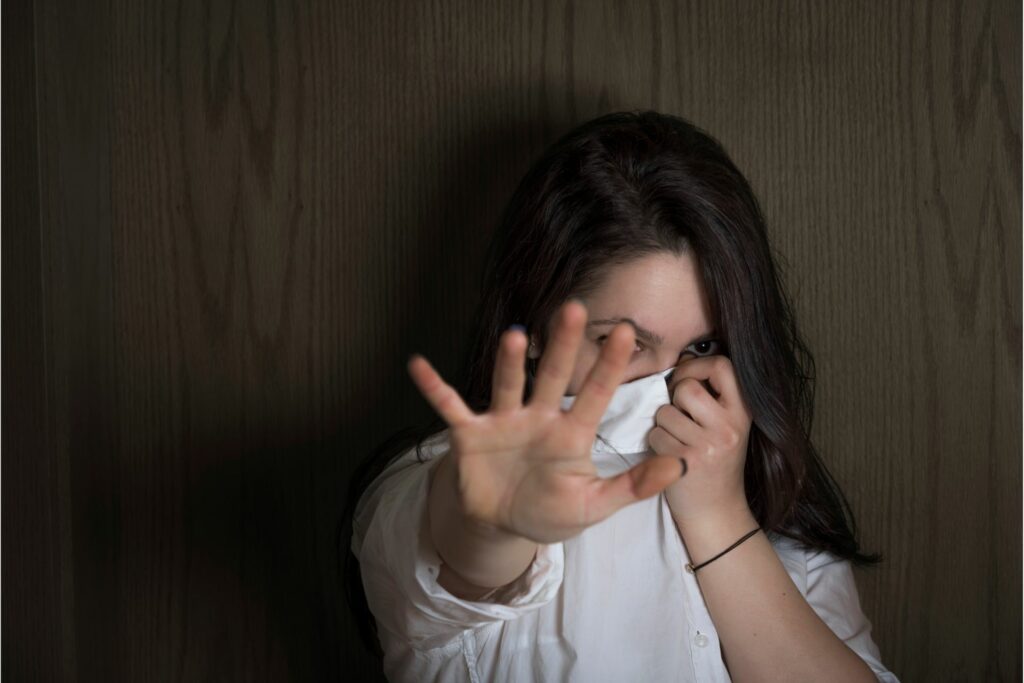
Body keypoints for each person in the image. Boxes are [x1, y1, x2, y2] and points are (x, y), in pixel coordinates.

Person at [339, 110, 899, 682]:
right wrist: (501, 520)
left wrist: (718, 515)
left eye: (702, 343)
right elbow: (466, 555)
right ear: (533, 326)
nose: (669, 387)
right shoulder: (425, 487)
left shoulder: (780, 513)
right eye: (622, 344)